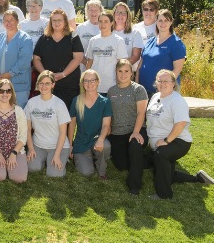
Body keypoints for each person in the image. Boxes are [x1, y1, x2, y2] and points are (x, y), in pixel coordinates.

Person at [146, 69, 213, 199]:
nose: (162, 83)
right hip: (161, 142)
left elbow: (181, 123)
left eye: (166, 81)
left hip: (178, 141)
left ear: (173, 83)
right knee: (164, 173)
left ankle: (164, 194)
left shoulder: (176, 100)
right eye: (159, 81)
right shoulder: (155, 97)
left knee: (161, 156)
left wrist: (166, 141)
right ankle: (198, 179)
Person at [107, 59, 148, 194]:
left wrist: (136, 132)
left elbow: (141, 112)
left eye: (126, 71)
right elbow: (109, 113)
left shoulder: (138, 89)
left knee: (135, 146)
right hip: (117, 133)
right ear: (116, 72)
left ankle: (134, 185)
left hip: (135, 130)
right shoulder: (111, 91)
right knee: (121, 165)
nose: (123, 74)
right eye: (120, 71)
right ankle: (154, 159)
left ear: (131, 73)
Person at [33, 9, 84, 109]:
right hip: (47, 85)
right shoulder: (44, 38)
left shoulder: (73, 37)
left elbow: (78, 58)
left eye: (59, 20)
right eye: (54, 20)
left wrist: (63, 74)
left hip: (68, 84)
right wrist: (46, 75)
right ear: (50, 22)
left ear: (65, 21)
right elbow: (36, 58)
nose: (57, 23)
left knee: (67, 113)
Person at [25, 71, 71, 177]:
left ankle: (60, 159)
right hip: (38, 145)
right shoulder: (31, 102)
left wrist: (57, 155)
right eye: (41, 83)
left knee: (55, 175)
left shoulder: (59, 104)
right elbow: (27, 128)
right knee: (32, 168)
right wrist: (31, 148)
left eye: (47, 83)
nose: (44, 86)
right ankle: (45, 159)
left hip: (58, 146)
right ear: (37, 84)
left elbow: (63, 132)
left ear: (53, 85)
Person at [68, 70, 112, 178]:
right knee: (87, 172)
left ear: (98, 82)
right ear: (82, 83)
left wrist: (101, 139)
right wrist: (70, 145)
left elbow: (106, 124)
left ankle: (101, 170)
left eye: (92, 80)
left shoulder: (105, 102)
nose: (89, 84)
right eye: (86, 81)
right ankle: (87, 156)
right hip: (81, 141)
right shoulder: (76, 100)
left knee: (105, 146)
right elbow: (72, 124)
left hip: (96, 139)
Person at [139, 9, 187, 97]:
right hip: (144, 91)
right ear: (156, 22)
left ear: (171, 22)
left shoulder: (176, 43)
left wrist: (163, 88)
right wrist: (137, 86)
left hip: (165, 93)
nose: (163, 23)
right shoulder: (150, 42)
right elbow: (140, 66)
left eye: (166, 20)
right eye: (160, 20)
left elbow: (177, 70)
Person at [0, 10, 33, 108]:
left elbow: (24, 62)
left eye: (11, 20)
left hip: (18, 86)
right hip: (1, 85)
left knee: (18, 116)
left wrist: (10, 74)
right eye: (6, 20)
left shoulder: (25, 39)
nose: (8, 22)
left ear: (17, 21)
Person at [86, 11, 128, 94]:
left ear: (112, 23)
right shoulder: (93, 40)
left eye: (106, 21)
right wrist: (86, 79)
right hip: (94, 85)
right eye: (100, 21)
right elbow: (90, 62)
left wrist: (120, 83)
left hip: (112, 85)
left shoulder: (118, 41)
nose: (103, 24)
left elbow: (122, 65)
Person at [113, 2, 144, 71]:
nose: (120, 15)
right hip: (108, 72)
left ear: (128, 15)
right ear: (114, 14)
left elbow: (135, 56)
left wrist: (120, 69)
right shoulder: (108, 32)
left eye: (123, 13)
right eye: (118, 12)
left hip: (127, 74)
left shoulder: (135, 33)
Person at [76, 0, 103, 71]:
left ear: (101, 11)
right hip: (84, 68)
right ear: (87, 11)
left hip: (102, 68)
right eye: (91, 10)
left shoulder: (106, 27)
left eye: (96, 10)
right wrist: (88, 64)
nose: (93, 13)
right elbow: (76, 50)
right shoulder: (80, 28)